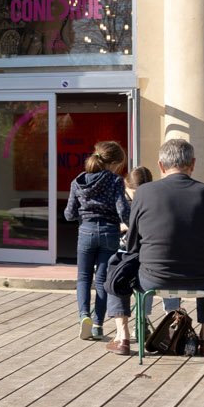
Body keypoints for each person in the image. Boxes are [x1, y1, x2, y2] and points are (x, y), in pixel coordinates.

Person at [103, 137, 204, 355]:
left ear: (161, 166)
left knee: (116, 265)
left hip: (154, 278)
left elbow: (132, 244)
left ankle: (123, 337)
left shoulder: (144, 192)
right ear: (193, 163)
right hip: (202, 279)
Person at [62, 140, 129, 342]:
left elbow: (68, 214)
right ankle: (98, 325)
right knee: (101, 280)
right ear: (115, 163)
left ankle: (84, 316)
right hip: (110, 233)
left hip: (85, 232)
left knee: (83, 278)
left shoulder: (78, 181)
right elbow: (123, 212)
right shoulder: (116, 181)